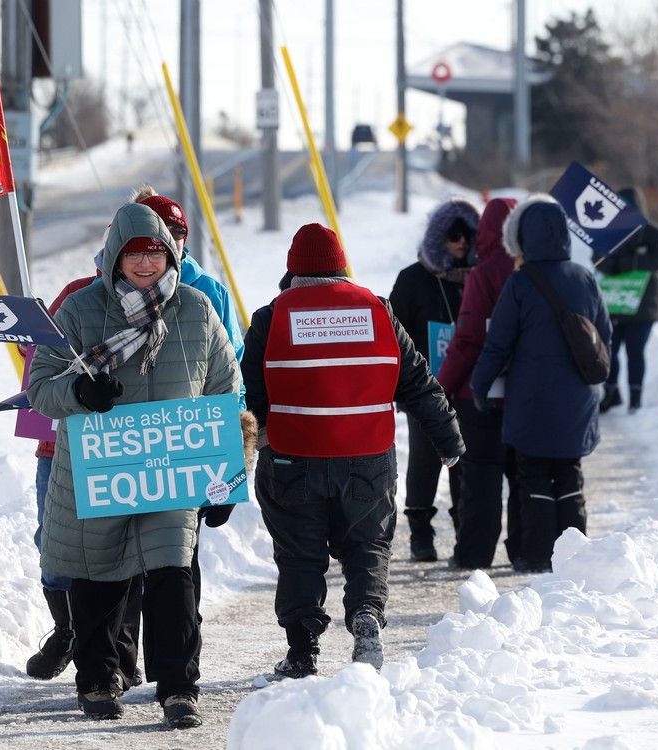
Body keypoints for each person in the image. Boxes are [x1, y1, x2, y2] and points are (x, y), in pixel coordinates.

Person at [24, 186, 250, 690]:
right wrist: (81, 391)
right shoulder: (81, 311)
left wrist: (227, 477)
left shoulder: (195, 309)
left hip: (173, 474)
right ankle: (99, 681)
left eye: (154, 252)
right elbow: (40, 389)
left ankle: (177, 688)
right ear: (116, 256)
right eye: (134, 253)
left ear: (170, 253)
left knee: (174, 581)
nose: (145, 263)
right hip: (104, 471)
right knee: (99, 582)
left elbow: (225, 393)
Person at [242, 223, 464, 678]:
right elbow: (418, 380)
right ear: (342, 266)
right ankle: (366, 616)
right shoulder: (377, 310)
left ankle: (302, 650)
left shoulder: (271, 316)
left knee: (300, 554)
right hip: (368, 457)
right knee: (367, 544)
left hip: (291, 459)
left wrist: (261, 439)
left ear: (293, 270)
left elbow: (250, 392)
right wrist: (448, 438)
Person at [470, 195, 611, 574]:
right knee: (569, 473)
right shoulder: (584, 278)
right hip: (576, 400)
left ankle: (535, 555)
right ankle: (575, 555)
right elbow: (604, 336)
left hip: (530, 402)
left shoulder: (520, 283)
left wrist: (479, 386)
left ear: (522, 237)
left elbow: (497, 344)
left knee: (533, 475)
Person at [389, 198, 479, 562]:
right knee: (425, 464)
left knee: (465, 461)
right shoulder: (413, 279)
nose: (461, 242)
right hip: (425, 389)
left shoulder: (477, 278)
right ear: (438, 237)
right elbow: (393, 333)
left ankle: (465, 531)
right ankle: (421, 535)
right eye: (454, 235)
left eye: (468, 235)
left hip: (469, 388)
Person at [436, 198, 520, 569]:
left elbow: (467, 340)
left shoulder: (484, 274)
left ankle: (475, 554)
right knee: (523, 477)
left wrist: (441, 388)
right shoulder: (527, 269)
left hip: (479, 394)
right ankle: (522, 549)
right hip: (523, 395)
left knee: (482, 480)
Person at [596, 186, 658, 414]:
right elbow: (599, 260)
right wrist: (630, 261)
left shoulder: (652, 233)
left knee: (635, 352)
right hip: (615, 304)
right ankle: (611, 392)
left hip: (643, 306)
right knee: (609, 351)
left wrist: (624, 264)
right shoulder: (608, 232)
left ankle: (635, 399)